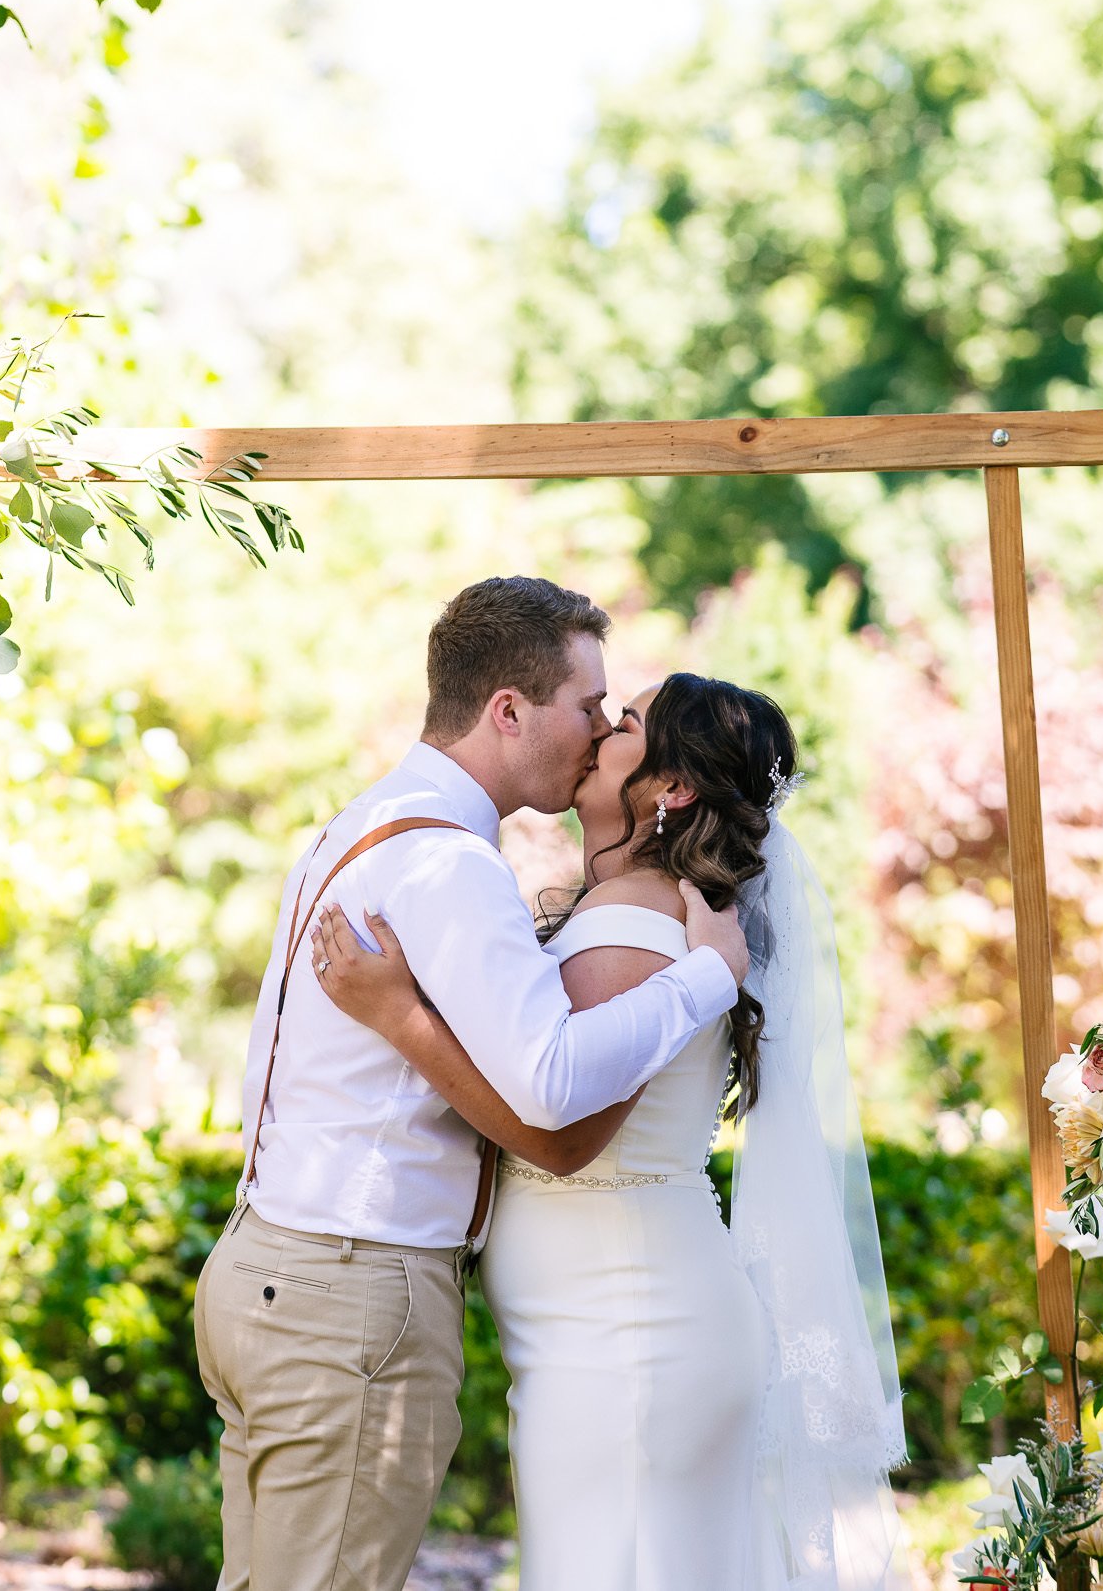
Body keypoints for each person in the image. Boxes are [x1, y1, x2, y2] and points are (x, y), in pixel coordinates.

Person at [193, 577, 752, 1591]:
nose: (598, 730)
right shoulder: (448, 865)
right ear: (507, 709)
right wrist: (709, 976)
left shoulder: (361, 826)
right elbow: (551, 1089)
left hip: (273, 1260)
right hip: (347, 1290)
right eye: (590, 707)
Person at [315, 674, 903, 1591]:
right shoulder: (643, 906)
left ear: (671, 788)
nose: (598, 725)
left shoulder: (633, 914)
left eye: (624, 720)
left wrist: (401, 1018)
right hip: (615, 1325)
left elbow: (563, 1136)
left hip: (628, 1335)